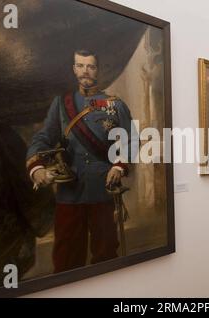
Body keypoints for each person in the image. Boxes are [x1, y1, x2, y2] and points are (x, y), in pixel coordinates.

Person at [26, 50, 134, 273]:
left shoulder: (116, 105)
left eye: (91, 66)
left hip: (103, 189)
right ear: (74, 69)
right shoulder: (61, 104)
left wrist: (119, 165)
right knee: (66, 259)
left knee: (105, 255)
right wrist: (36, 167)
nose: (86, 71)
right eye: (81, 65)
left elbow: (131, 140)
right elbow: (43, 137)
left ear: (98, 70)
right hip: (69, 191)